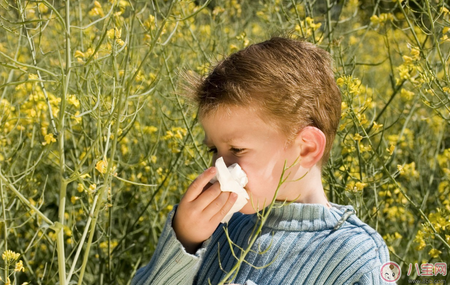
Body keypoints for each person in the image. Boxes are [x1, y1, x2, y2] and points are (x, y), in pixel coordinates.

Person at [131, 36, 391, 285]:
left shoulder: (355, 256)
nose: (218, 168)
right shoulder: (217, 228)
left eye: (237, 149)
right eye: (213, 150)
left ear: (306, 149)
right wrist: (185, 240)